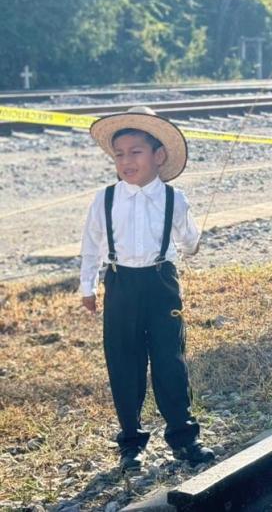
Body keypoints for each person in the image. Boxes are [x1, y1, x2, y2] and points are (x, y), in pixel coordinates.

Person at [79, 105, 214, 472]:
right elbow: (91, 245)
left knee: (170, 359)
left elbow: (188, 239)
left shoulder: (175, 199)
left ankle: (184, 438)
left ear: (159, 156)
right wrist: (87, 286)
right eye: (119, 154)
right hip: (120, 282)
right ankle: (131, 441)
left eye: (135, 152)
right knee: (124, 361)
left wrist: (193, 240)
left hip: (161, 282)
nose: (126, 161)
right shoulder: (105, 199)